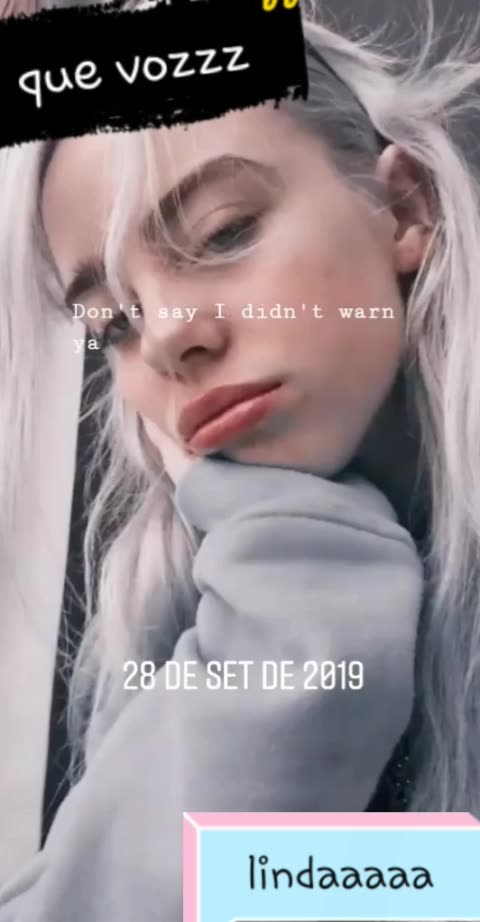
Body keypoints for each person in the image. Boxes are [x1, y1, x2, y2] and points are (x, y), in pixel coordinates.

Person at [0, 0, 479, 918]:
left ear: (402, 208)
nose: (167, 336)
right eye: (113, 322)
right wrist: (301, 583)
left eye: (223, 233)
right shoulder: (171, 611)